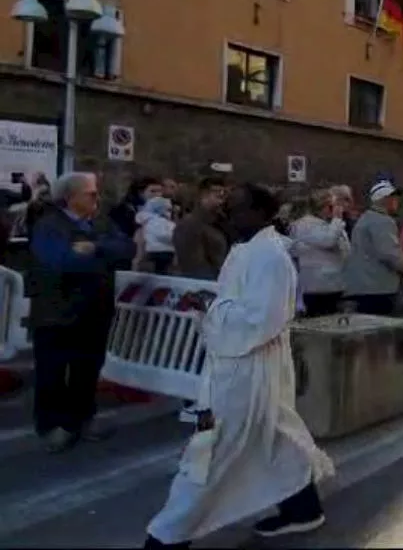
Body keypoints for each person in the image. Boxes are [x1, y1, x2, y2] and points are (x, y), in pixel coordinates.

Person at [144, 184, 334, 549]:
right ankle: (303, 508)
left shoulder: (269, 256)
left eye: (240, 208)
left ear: (264, 214)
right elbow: (238, 303)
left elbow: (262, 319)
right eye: (228, 207)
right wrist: (211, 303)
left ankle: (166, 537)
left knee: (209, 449)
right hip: (237, 363)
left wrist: (210, 308)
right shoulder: (246, 249)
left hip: (248, 369)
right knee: (273, 437)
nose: (230, 214)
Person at [28, 172, 136, 453]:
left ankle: (81, 420)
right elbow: (61, 261)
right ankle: (51, 426)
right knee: (52, 373)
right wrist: (101, 257)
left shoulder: (99, 224)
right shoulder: (48, 226)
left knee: (86, 370)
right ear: (70, 197)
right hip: (57, 313)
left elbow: (127, 248)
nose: (97, 199)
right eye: (90, 194)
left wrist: (95, 248)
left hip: (95, 311)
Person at [343, 179, 403, 316]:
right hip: (379, 287)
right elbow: (389, 253)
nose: (397, 200)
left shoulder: (366, 218)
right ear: (384, 199)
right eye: (393, 197)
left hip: (364, 286)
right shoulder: (382, 221)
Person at [289, 190, 349, 318]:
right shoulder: (305, 224)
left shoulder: (331, 224)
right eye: (331, 207)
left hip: (335, 284)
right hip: (316, 286)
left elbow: (345, 247)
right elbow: (328, 241)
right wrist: (337, 220)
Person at [173, 177, 229, 281]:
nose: (222, 202)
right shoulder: (189, 224)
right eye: (218, 196)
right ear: (203, 195)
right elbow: (193, 265)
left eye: (224, 196)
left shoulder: (221, 223)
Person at [136, 196, 178, 275]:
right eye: (168, 210)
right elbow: (162, 235)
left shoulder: (160, 221)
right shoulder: (154, 221)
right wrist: (174, 235)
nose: (170, 212)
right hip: (158, 252)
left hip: (167, 252)